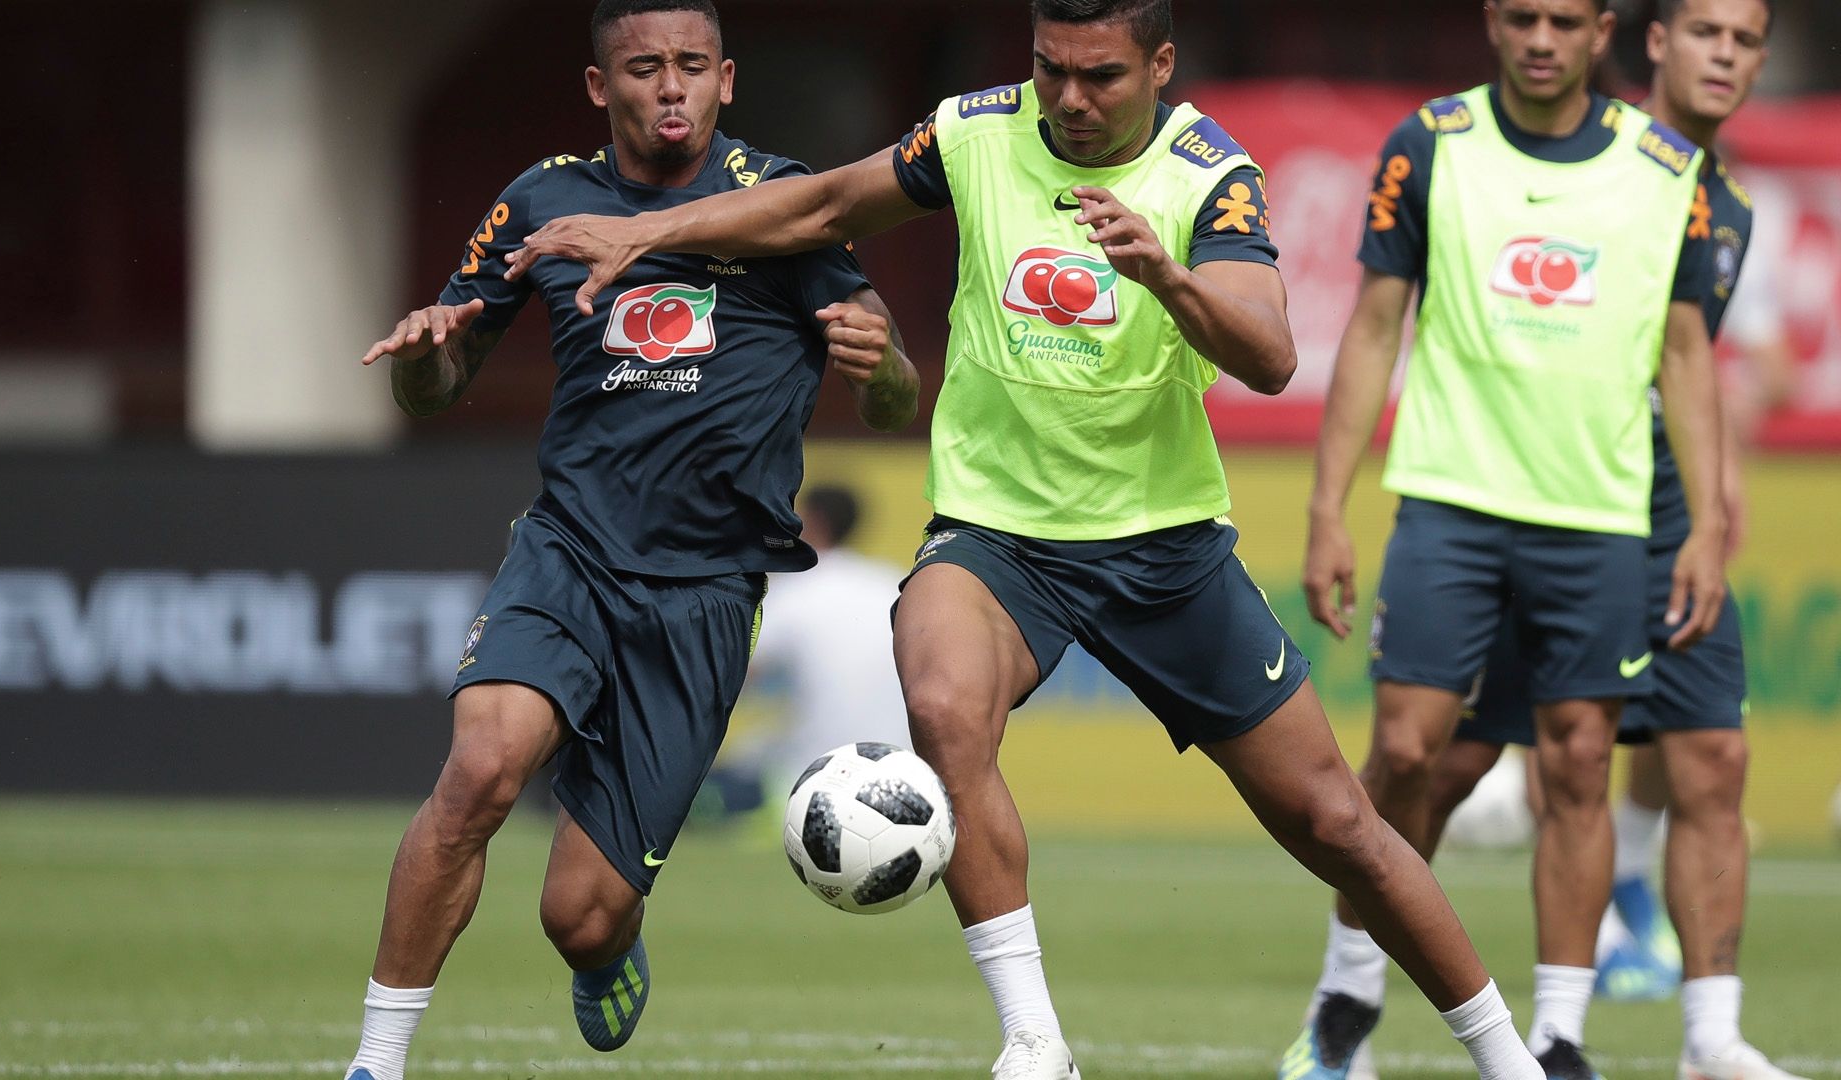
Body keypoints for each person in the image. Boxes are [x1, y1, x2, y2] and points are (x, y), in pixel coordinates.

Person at [507, 2, 1547, 1078]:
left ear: (1160, 65)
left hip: (1165, 546)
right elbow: (817, 206)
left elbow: (1274, 356)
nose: (1071, 100)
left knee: (1339, 823)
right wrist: (647, 230)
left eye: (1101, 76)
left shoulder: (1209, 173)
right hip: (997, 540)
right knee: (947, 708)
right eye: (1052, 70)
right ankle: (1034, 1042)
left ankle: (1509, 1060)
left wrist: (1168, 277)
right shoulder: (972, 132)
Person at [339, 2, 920, 1077]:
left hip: (704, 595)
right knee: (479, 773)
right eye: (643, 67)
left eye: (691, 66)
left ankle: (608, 950)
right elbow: (435, 385)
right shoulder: (541, 199)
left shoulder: (782, 204)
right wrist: (426, 355)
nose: (670, 87)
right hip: (568, 553)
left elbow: (894, 399)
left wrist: (878, 361)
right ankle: (375, 1062)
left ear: (726, 79)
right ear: (600, 87)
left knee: (582, 917)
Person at [1292, 0, 1733, 1076]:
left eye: (1565, 20)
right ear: (1494, 21)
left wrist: (1709, 521)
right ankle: (1346, 988)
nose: (1543, 37)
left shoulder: (1667, 167)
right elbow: (1376, 325)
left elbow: (1685, 354)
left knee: (1579, 762)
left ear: (1604, 31)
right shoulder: (1429, 145)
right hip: (1451, 500)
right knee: (1405, 749)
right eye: (1524, 16)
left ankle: (1561, 1034)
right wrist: (1326, 506)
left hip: (1596, 516)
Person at [1418, 2, 1809, 1077]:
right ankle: (1343, 996)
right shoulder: (1596, 164)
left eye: (1744, 43)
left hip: (1668, 509)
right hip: (1547, 499)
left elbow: (1711, 364)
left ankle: (1710, 1041)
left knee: (1714, 758)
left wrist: (1717, 501)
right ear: (1654, 44)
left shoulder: (1730, 204)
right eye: (1705, 36)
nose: (1724, 58)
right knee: (1442, 764)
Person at [749, 485, 913, 781]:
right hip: (901, 766)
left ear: (814, 521)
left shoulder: (798, 588)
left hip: (817, 772)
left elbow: (735, 669)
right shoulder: (890, 582)